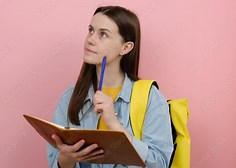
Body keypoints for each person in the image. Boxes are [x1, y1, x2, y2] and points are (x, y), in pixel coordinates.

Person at [47, 6, 173, 168]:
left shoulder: (151, 98)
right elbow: (53, 162)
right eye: (91, 30)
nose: (90, 39)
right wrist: (66, 159)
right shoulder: (70, 95)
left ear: (126, 48)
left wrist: (115, 125)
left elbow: (161, 164)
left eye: (103, 34)